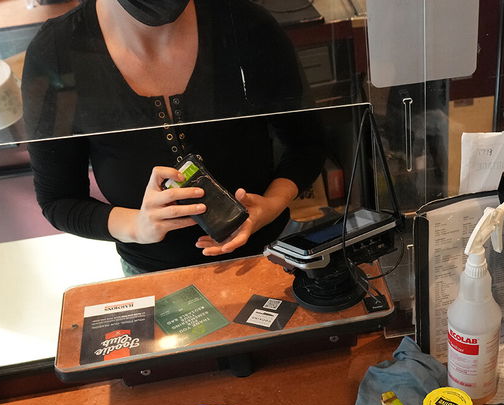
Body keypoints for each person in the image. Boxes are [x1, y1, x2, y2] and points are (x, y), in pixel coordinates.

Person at [21, 0, 324, 274]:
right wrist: (137, 226)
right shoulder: (56, 51)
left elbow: (306, 144)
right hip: (153, 273)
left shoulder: (244, 23)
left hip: (269, 254)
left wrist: (270, 205)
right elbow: (59, 200)